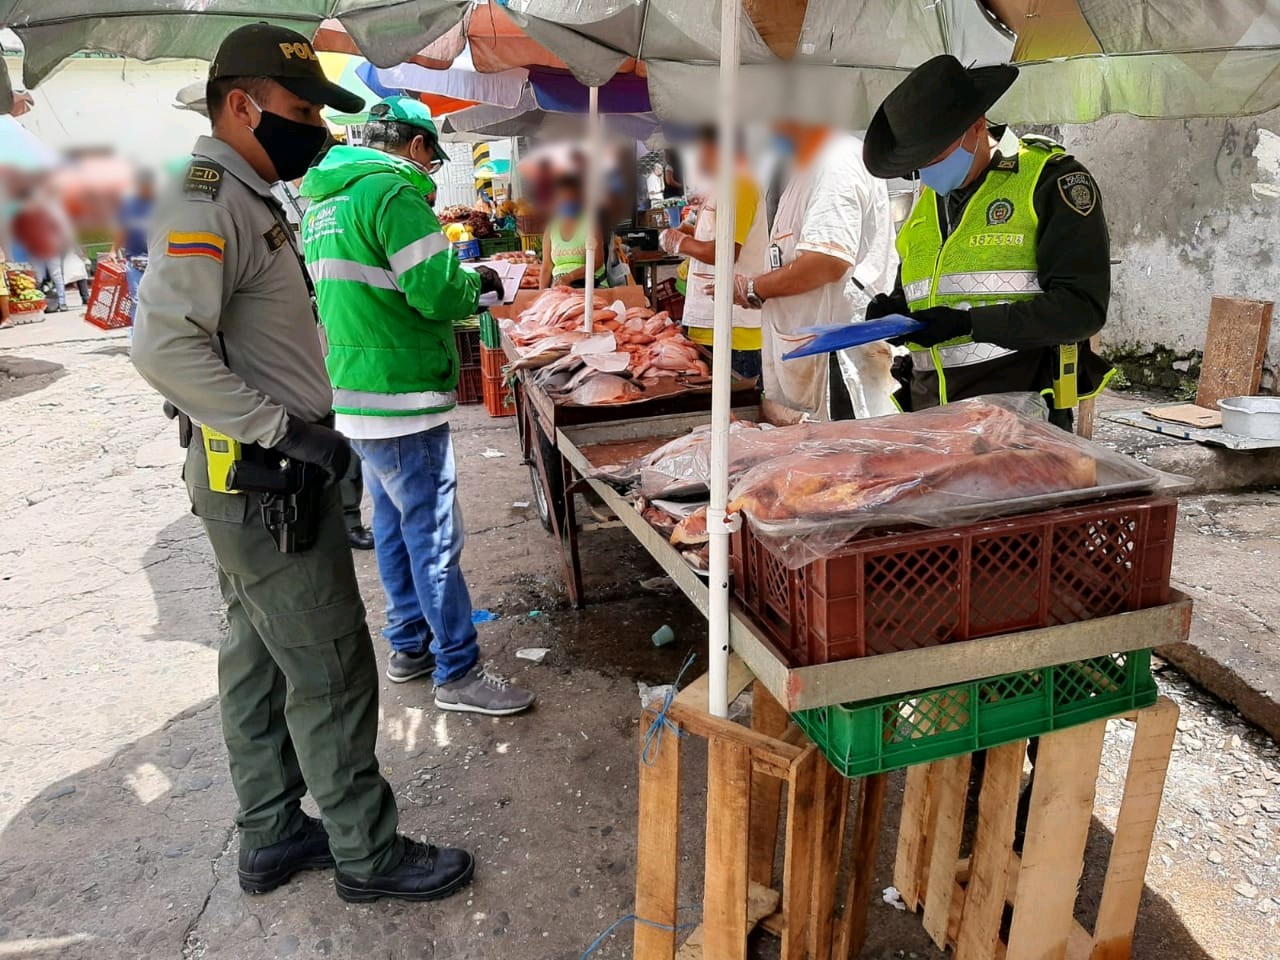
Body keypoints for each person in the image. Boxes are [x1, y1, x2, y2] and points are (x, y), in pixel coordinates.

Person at [131, 23, 475, 905]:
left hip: (253, 476)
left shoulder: (250, 194)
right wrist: (283, 431)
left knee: (256, 655)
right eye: (302, 109)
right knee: (331, 666)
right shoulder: (209, 199)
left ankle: (272, 831)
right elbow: (164, 347)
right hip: (265, 478)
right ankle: (368, 853)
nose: (317, 128)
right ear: (242, 107)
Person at [298, 95, 535, 716]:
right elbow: (435, 292)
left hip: (357, 391)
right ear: (417, 145)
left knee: (395, 527)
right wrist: (482, 284)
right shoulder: (393, 194)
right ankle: (458, 671)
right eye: (431, 157)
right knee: (433, 537)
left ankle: (408, 645)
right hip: (403, 392)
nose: (430, 169)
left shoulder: (325, 201)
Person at [862, 55, 1113, 430]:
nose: (928, 173)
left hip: (1019, 421)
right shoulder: (927, 204)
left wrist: (968, 323)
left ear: (977, 125)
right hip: (932, 417)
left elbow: (1081, 309)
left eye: (936, 157)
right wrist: (896, 313)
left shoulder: (1049, 182)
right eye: (918, 165)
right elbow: (925, 292)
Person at [722, 121, 899, 422]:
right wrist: (760, 290)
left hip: (837, 360)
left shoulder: (835, 161)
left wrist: (755, 288)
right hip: (807, 355)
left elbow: (826, 261)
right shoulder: (801, 169)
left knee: (842, 448)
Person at [659, 128, 766, 381]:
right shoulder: (721, 186)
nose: (696, 158)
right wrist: (690, 232)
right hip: (710, 322)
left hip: (733, 329)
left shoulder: (740, 185)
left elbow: (726, 251)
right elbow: (715, 234)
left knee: (733, 403)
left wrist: (682, 243)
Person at [539, 173, 609, 289]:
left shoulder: (590, 224)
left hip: (591, 284)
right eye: (564, 198)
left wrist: (570, 277)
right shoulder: (551, 229)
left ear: (581, 199)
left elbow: (597, 261)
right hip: (559, 287)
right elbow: (546, 267)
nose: (568, 202)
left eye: (572, 198)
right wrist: (541, 294)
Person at [116, 169, 155, 307]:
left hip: (156, 260)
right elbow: (122, 229)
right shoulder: (128, 204)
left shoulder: (160, 204)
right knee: (137, 300)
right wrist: (112, 251)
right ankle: (136, 323)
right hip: (135, 260)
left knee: (156, 299)